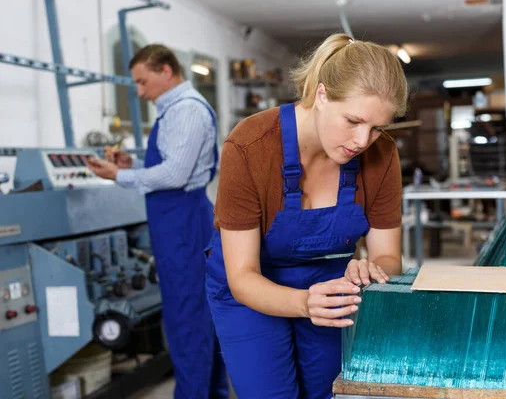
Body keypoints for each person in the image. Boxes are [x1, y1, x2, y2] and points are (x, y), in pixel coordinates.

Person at [204, 33, 408, 399]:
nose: (363, 141)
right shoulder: (249, 146)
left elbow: (389, 256)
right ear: (322, 94)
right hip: (251, 286)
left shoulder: (382, 156)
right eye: (353, 120)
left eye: (378, 128)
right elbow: (242, 276)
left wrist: (373, 271)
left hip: (331, 286)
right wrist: (302, 302)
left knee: (330, 391)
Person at [86, 44, 229, 399]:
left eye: (142, 81)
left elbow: (176, 174)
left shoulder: (186, 110)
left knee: (188, 320)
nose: (139, 92)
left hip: (184, 222)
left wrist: (118, 177)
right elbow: (169, 168)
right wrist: (130, 166)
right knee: (192, 317)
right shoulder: (175, 110)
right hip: (177, 222)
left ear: (166, 70)